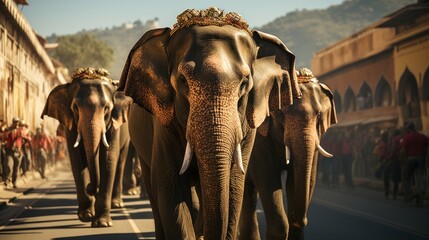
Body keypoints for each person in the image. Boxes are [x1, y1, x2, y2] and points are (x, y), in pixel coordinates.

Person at [400, 122, 428, 207]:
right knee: (420, 176)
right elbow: (427, 147)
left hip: (411, 159)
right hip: (421, 158)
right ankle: (421, 193)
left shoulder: (407, 137)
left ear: (408, 129)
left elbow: (403, 151)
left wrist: (403, 160)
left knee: (405, 176)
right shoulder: (423, 136)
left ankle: (409, 194)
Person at [2, 117, 26, 188]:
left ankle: (14, 182)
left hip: (17, 151)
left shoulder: (20, 130)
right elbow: (4, 138)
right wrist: (8, 133)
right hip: (9, 151)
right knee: (9, 165)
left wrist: (20, 144)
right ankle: (7, 180)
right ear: (13, 122)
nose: (17, 123)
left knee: (16, 168)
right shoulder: (7, 130)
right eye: (16, 122)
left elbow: (23, 139)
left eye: (18, 122)